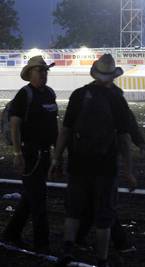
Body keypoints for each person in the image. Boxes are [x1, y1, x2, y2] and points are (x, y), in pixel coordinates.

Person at [49, 54, 136, 267]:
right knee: (104, 215)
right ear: (113, 76)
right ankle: (102, 259)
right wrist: (128, 169)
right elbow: (124, 138)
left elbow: (66, 131)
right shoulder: (116, 98)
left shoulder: (79, 95)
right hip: (106, 166)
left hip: (78, 162)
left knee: (73, 210)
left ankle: (67, 251)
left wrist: (56, 158)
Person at [1, 55, 58, 254]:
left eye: (45, 71)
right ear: (30, 73)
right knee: (38, 200)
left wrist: (56, 154)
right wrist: (17, 153)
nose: (43, 74)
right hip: (30, 154)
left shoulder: (49, 93)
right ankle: (42, 245)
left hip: (44, 154)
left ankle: (11, 234)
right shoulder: (24, 95)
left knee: (30, 197)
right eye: (39, 70)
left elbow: (53, 124)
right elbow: (15, 125)